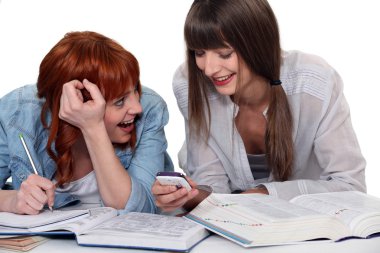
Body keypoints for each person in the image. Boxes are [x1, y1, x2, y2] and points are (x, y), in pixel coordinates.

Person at [152, 0, 366, 212]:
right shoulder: (189, 82)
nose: (208, 69)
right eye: (199, 53)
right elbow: (212, 183)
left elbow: (351, 187)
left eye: (224, 53)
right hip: (234, 226)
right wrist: (186, 196)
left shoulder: (314, 82)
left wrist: (265, 194)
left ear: (258, 44)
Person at [0, 31, 173, 215]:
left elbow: (140, 211)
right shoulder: (16, 112)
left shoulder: (150, 111)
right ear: (78, 103)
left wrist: (92, 126)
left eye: (135, 90)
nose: (137, 108)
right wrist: (12, 201)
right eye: (120, 101)